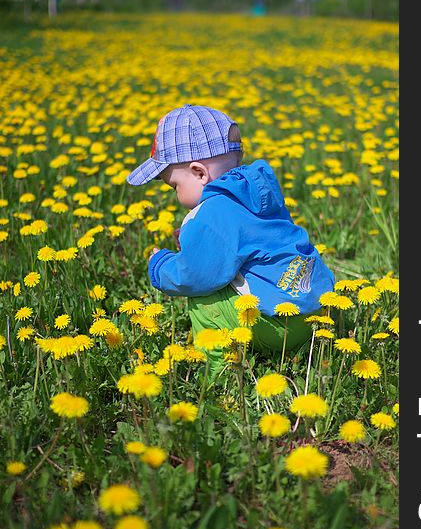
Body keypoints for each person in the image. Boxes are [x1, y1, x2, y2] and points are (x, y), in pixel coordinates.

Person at [126, 104, 334, 375]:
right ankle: (294, 359)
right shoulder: (254, 192)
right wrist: (196, 241)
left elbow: (195, 275)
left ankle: (220, 374)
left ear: (199, 172)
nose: (174, 195)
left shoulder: (213, 211)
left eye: (174, 186)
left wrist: (160, 264)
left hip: (277, 326)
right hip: (316, 313)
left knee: (203, 295)